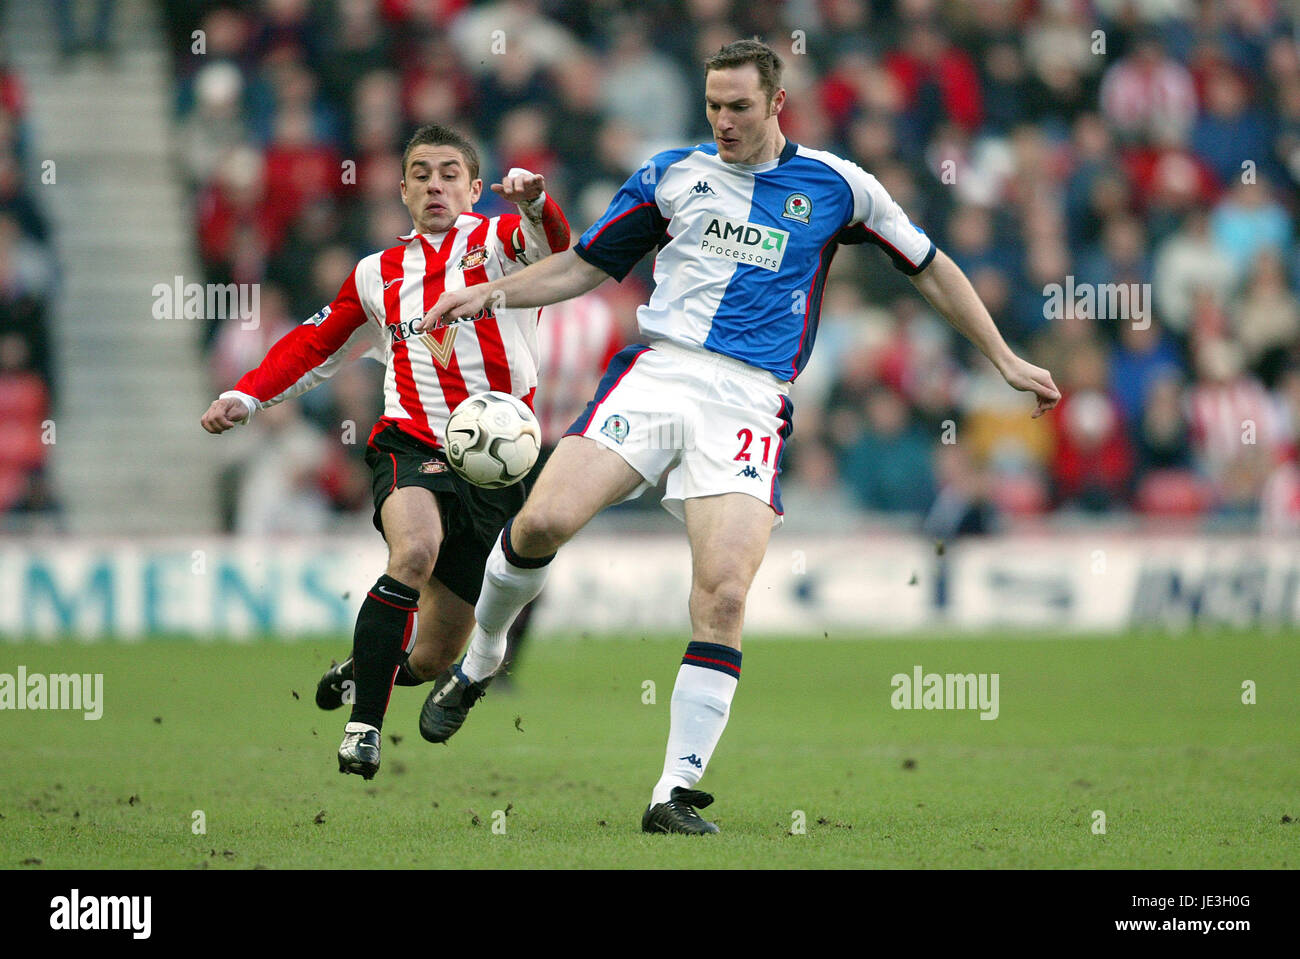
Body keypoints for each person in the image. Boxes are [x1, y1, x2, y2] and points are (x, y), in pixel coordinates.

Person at [416, 40, 1059, 833]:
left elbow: (929, 265)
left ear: (777, 102)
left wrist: (1001, 355)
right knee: (542, 520)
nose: (722, 120)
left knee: (721, 595)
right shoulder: (670, 174)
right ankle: (482, 659)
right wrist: (489, 293)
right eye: (713, 105)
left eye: (739, 107)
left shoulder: (838, 186)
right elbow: (584, 265)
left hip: (750, 401)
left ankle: (672, 792)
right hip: (659, 372)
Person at [200, 123, 570, 780]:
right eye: (421, 172)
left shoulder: (500, 243)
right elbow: (315, 345)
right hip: (412, 443)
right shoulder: (376, 274)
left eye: (450, 172)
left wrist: (536, 203)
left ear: (475, 187)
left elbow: (555, 247)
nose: (435, 184)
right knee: (414, 550)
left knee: (430, 657)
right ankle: (362, 729)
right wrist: (248, 395)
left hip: (496, 468)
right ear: (400, 189)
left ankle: (359, 671)